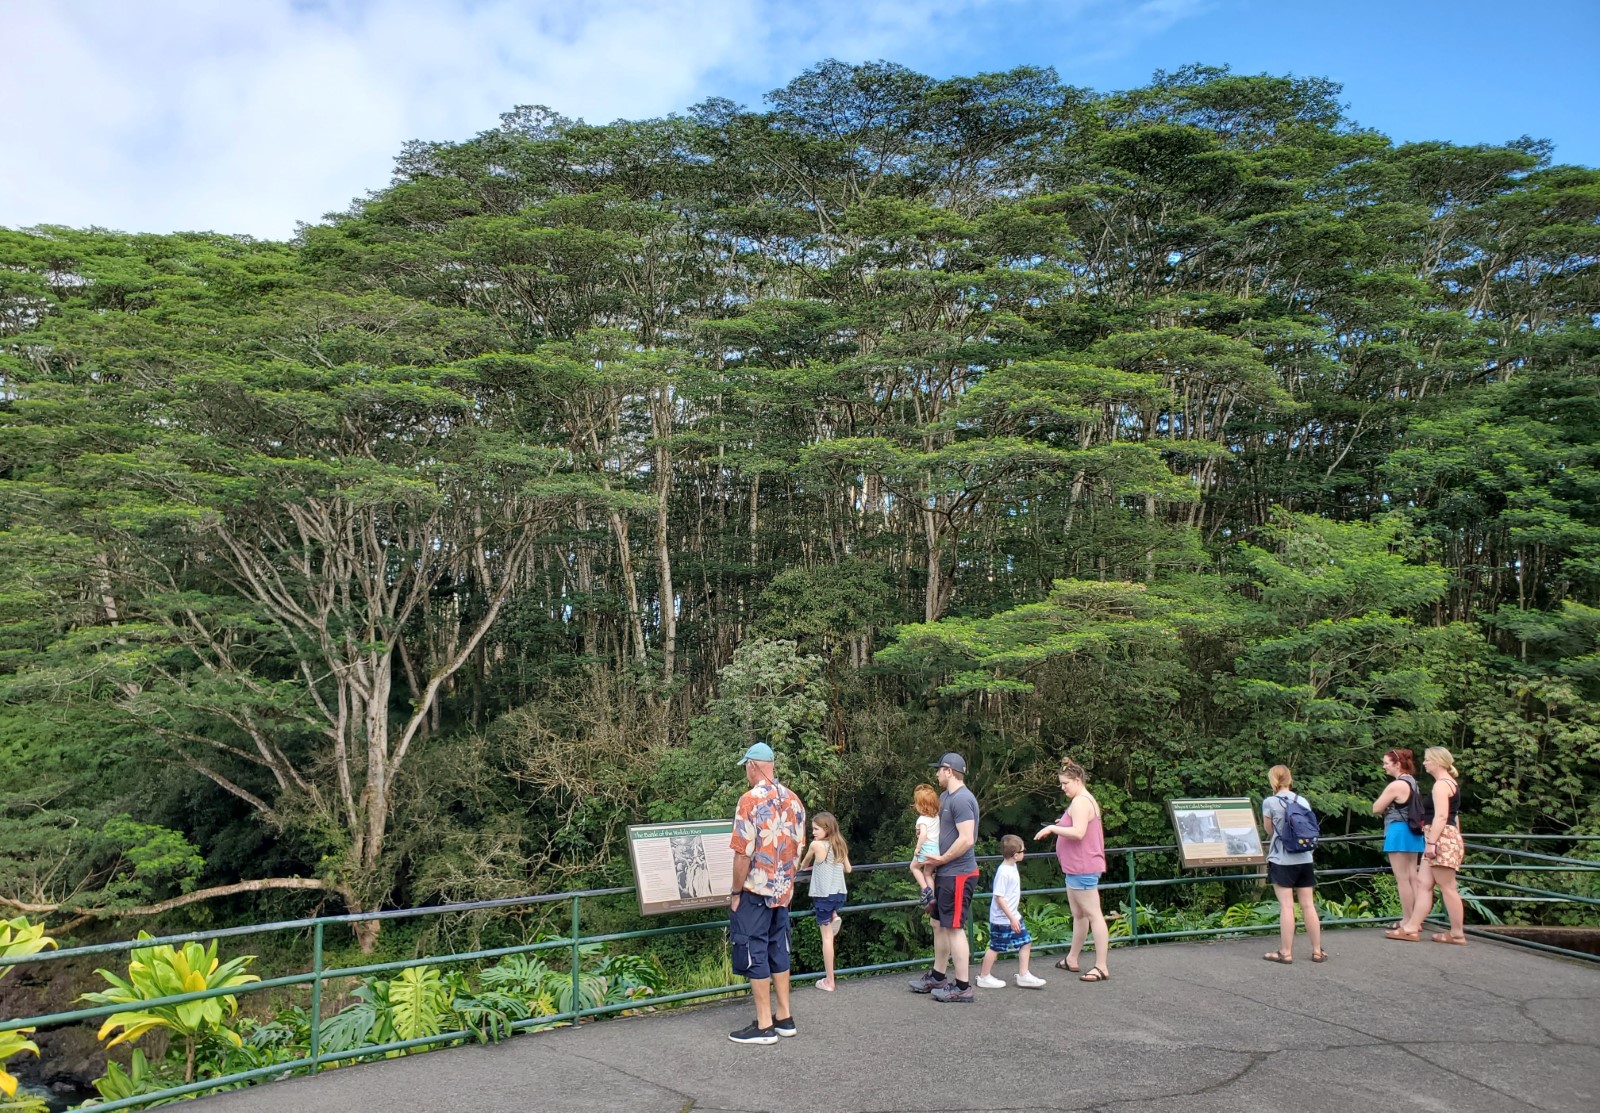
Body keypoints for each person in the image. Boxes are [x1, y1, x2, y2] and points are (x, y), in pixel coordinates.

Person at [727, 742, 808, 1044]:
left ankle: (763, 1026)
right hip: (782, 892)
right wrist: (786, 884)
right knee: (779, 949)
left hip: (755, 892)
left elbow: (742, 854)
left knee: (754, 950)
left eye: (746, 768)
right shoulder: (794, 800)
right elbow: (798, 849)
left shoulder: (749, 801)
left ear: (752, 765)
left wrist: (736, 892)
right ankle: (784, 1017)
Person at [907, 753, 980, 1003]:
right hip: (945, 873)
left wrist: (942, 859)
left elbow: (967, 838)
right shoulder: (946, 798)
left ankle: (962, 986)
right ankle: (938, 977)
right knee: (938, 924)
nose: (936, 774)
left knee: (954, 928)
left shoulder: (962, 799)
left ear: (949, 771)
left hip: (958, 873)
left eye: (939, 770)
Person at [1033, 758, 1110, 982]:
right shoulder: (1083, 801)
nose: (1062, 787)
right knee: (1079, 915)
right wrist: (1062, 823)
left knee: (1094, 916)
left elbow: (1078, 833)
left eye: (1066, 783)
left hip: (1082, 867)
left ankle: (1101, 966)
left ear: (1077, 780)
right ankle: (1072, 958)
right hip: (1076, 867)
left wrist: (1052, 828)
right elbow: (1077, 826)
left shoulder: (1080, 802)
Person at [1387, 747, 1467, 946]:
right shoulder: (1450, 783)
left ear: (1438, 762)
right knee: (1423, 883)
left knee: (1448, 887)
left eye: (1427, 760)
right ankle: (1412, 927)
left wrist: (1432, 843)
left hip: (1439, 838)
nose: (1424, 764)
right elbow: (1454, 816)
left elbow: (1442, 816)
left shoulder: (1441, 785)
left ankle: (1457, 933)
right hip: (1442, 837)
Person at [1260, 765, 1326, 964]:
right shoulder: (1302, 800)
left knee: (1287, 906)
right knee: (1308, 905)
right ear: (1290, 779)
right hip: (1305, 857)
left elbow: (1269, 830)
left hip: (1282, 858)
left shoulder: (1270, 802)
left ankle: (1286, 952)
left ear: (1272, 780)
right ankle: (1317, 951)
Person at [975, 834, 1046, 990]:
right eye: (1022, 851)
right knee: (996, 947)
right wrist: (1012, 918)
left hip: (1013, 916)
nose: (1024, 853)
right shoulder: (1004, 872)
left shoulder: (1012, 867)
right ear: (1015, 855)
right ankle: (984, 976)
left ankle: (1024, 975)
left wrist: (1014, 917)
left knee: (1026, 942)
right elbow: (999, 898)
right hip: (1003, 919)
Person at [1370, 748, 1425, 927]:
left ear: (1397, 764)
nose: (1384, 766)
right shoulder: (1413, 783)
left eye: (1386, 763)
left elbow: (1376, 808)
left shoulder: (1396, 785)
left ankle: (1407, 920)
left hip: (1398, 831)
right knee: (1412, 876)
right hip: (1413, 831)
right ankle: (1417, 919)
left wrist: (1384, 808)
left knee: (1402, 879)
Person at [801, 812, 851, 992]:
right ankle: (835, 914)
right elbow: (848, 869)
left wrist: (812, 866)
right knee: (831, 919)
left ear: (826, 829)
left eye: (815, 828)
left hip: (823, 895)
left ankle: (829, 981)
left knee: (827, 938)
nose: (813, 832)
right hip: (839, 894)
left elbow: (804, 864)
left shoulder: (815, 845)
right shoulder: (839, 844)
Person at [907, 784, 941, 909]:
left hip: (925, 849)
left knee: (914, 867)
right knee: (928, 873)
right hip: (935, 850)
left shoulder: (922, 820)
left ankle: (926, 889)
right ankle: (932, 898)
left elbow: (923, 835)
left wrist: (917, 848)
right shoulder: (936, 817)